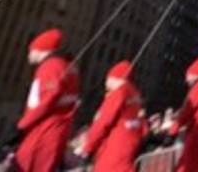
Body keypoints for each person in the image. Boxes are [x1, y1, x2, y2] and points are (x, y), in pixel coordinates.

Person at [15, 29, 80, 172]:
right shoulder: (68, 67)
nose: (29, 54)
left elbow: (49, 97)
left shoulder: (51, 66)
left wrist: (21, 126)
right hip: (56, 131)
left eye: (30, 50)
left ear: (40, 50)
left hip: (43, 131)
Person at [79, 62, 144, 172]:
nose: (106, 83)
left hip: (113, 148)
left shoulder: (118, 93)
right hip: (129, 144)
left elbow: (102, 123)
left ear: (114, 78)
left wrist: (88, 148)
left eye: (107, 79)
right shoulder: (134, 93)